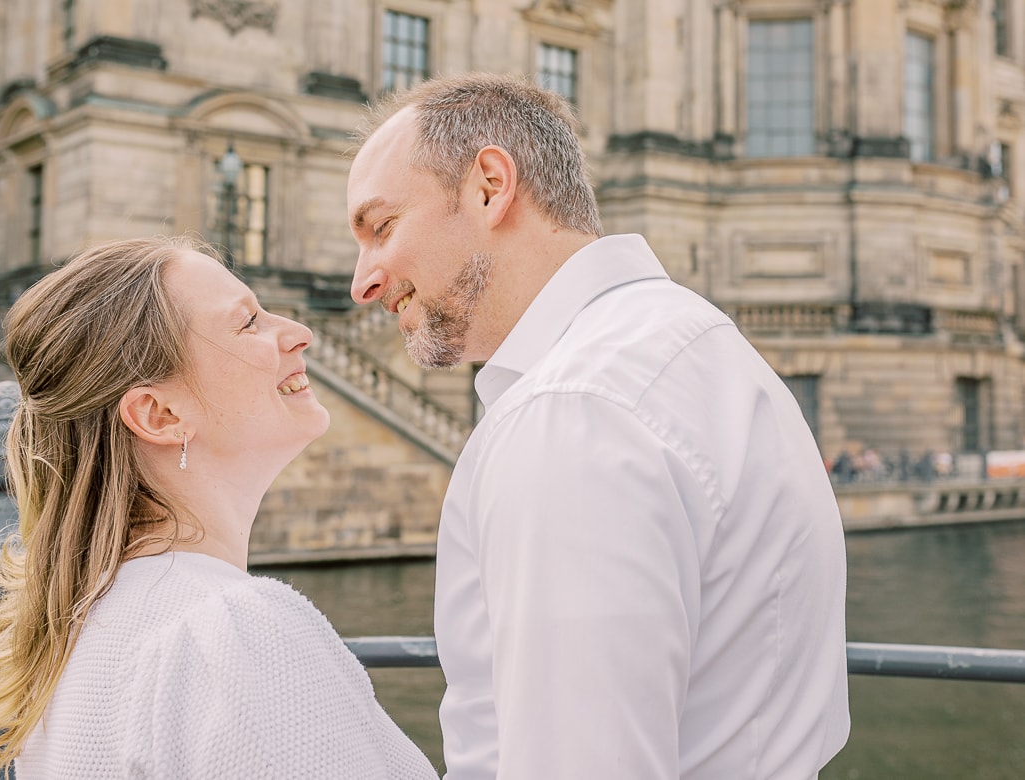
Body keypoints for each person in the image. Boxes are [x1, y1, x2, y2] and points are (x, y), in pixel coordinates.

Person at [347, 73, 850, 779]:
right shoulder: (703, 344)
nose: (361, 281)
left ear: (491, 185)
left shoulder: (570, 414)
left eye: (382, 227)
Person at [0, 236, 439, 779]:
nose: (300, 333)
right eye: (248, 322)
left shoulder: (73, 633)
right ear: (159, 414)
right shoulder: (232, 633)